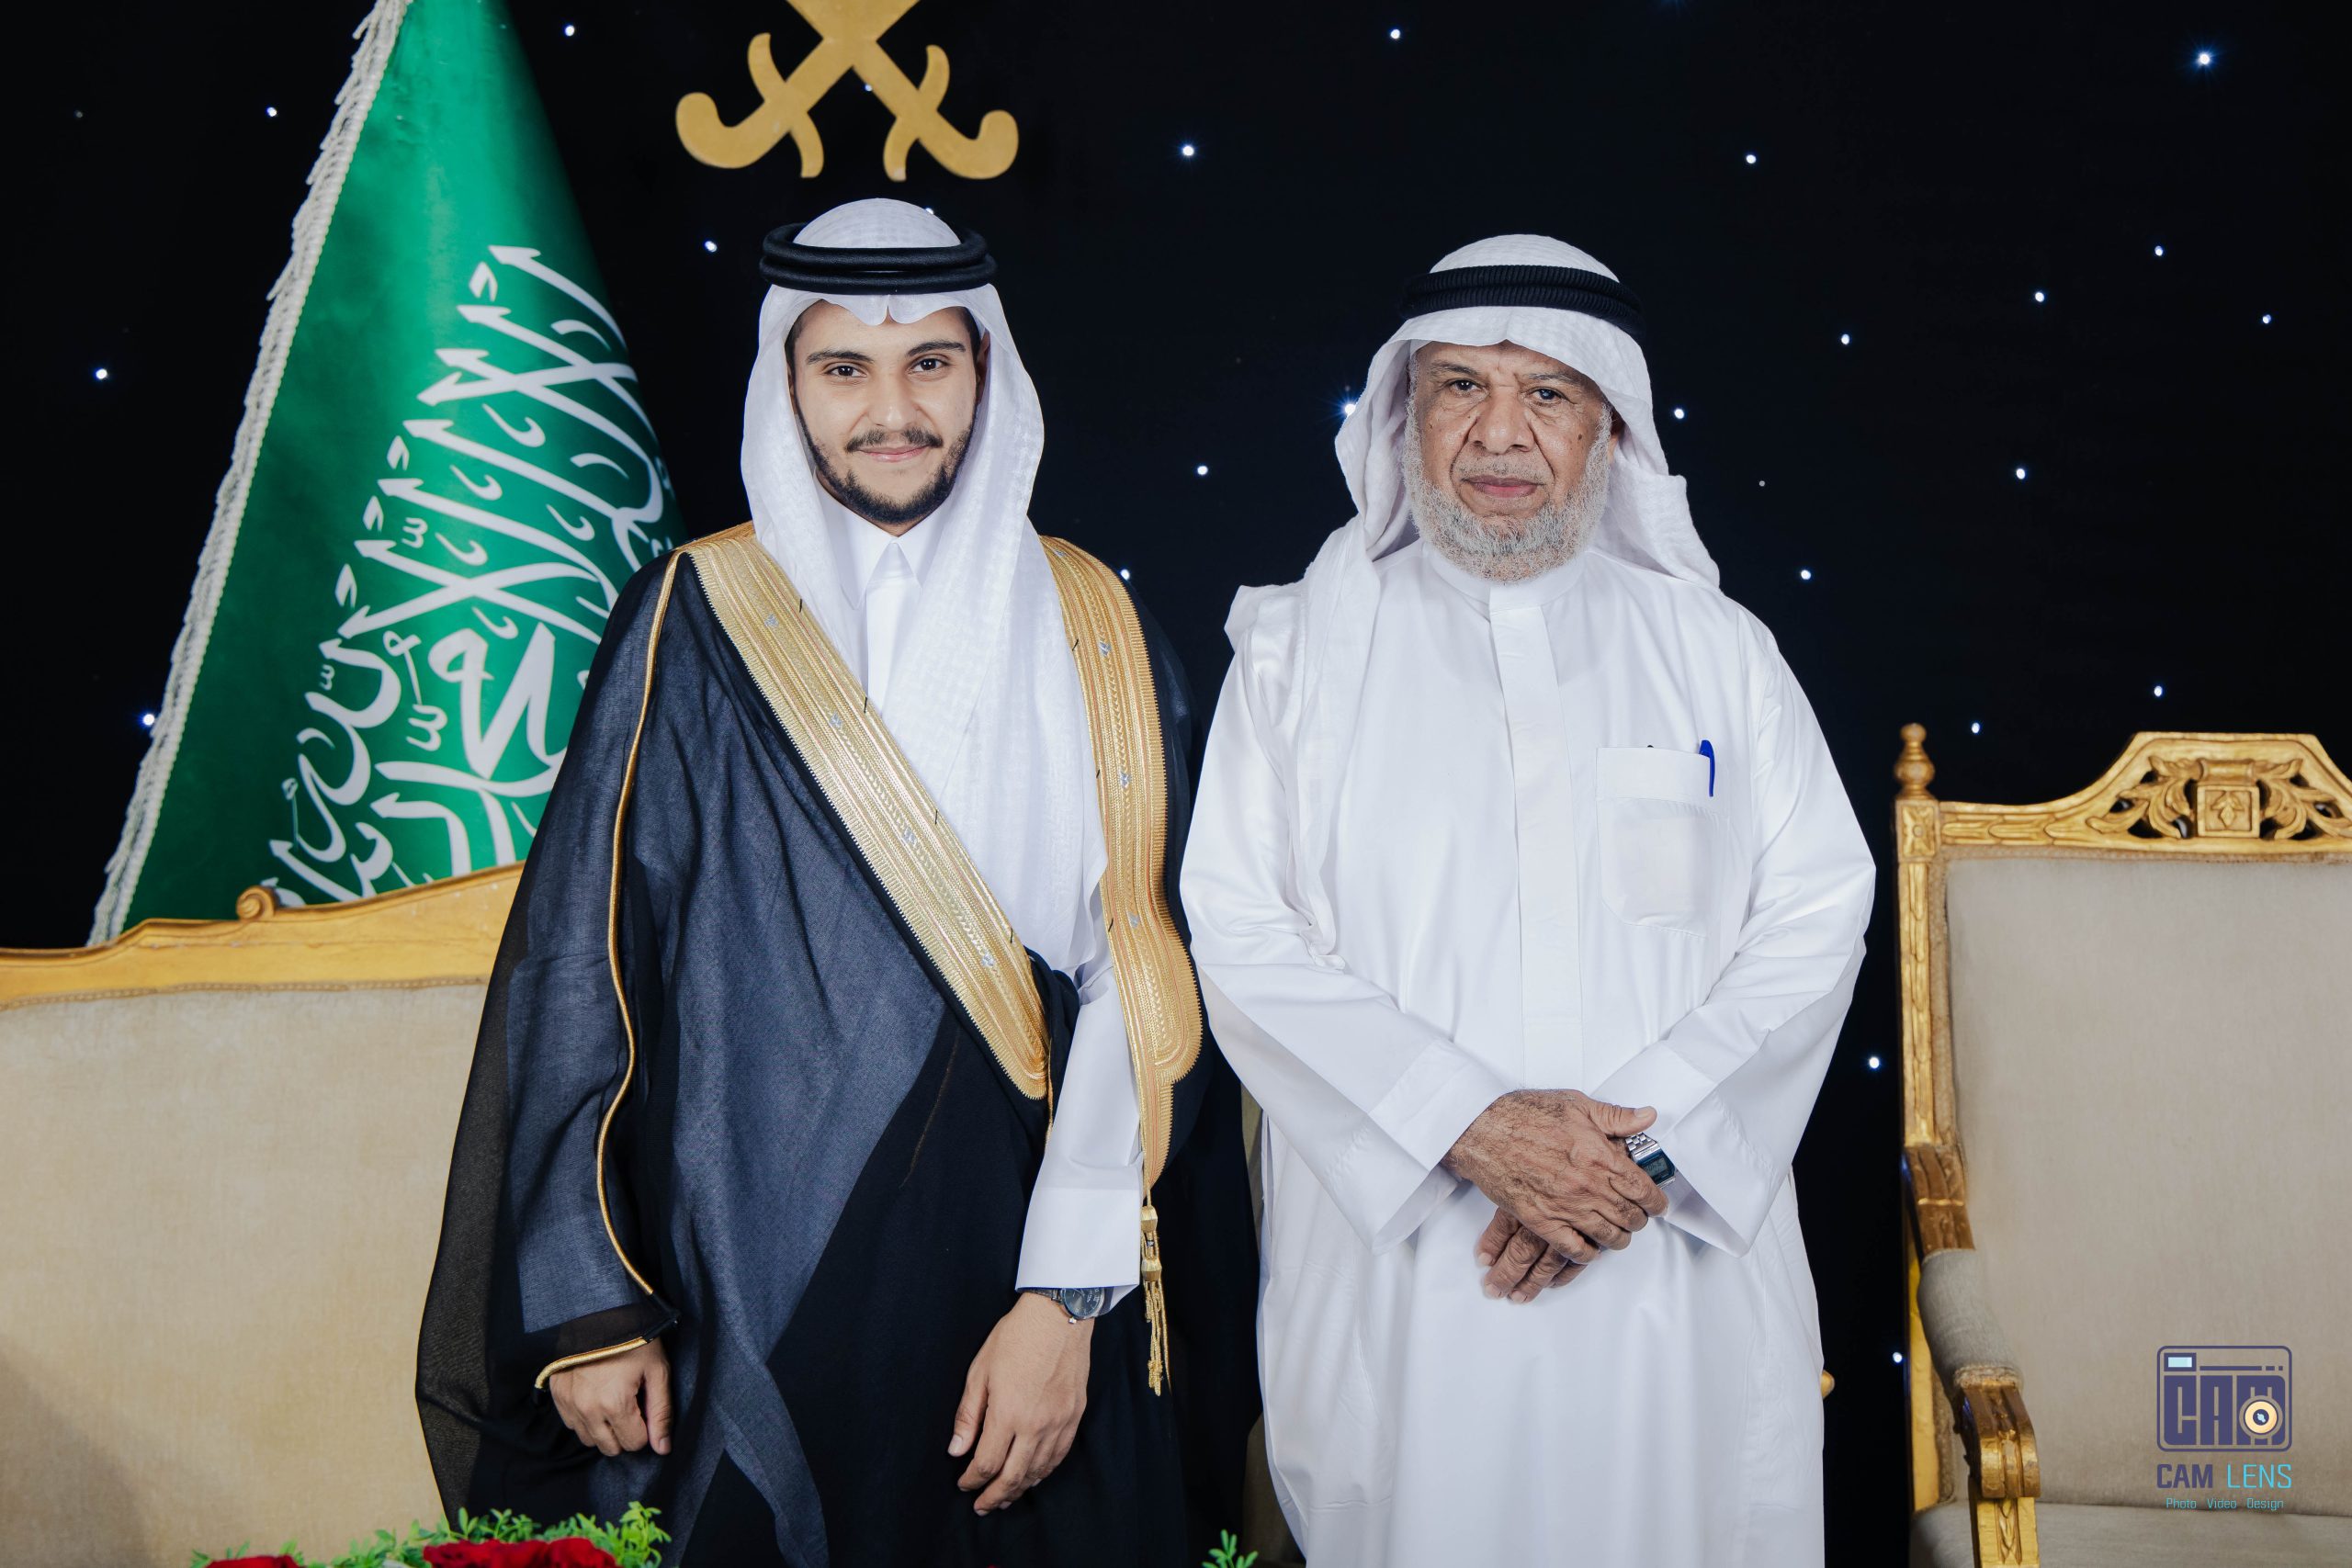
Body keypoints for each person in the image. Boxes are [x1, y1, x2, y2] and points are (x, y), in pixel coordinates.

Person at [416, 198, 1256, 1568]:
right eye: (845, 368)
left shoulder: (1093, 620)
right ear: (789, 383)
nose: (893, 410)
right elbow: (584, 962)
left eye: (931, 363)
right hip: (744, 1275)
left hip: (1030, 1268)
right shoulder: (695, 614)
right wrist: (591, 1302)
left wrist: (1065, 1298)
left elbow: (1143, 973)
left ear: (985, 374)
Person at [1181, 233, 1874, 1565]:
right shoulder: (1294, 653)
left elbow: (1817, 914)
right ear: (1404, 417)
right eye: (1461, 387)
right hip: (1408, 1264)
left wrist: (1635, 1154)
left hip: (1668, 1255)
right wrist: (1468, 1123)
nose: (1501, 434)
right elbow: (1243, 934)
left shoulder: (1718, 651)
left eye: (1547, 393)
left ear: (1611, 425)